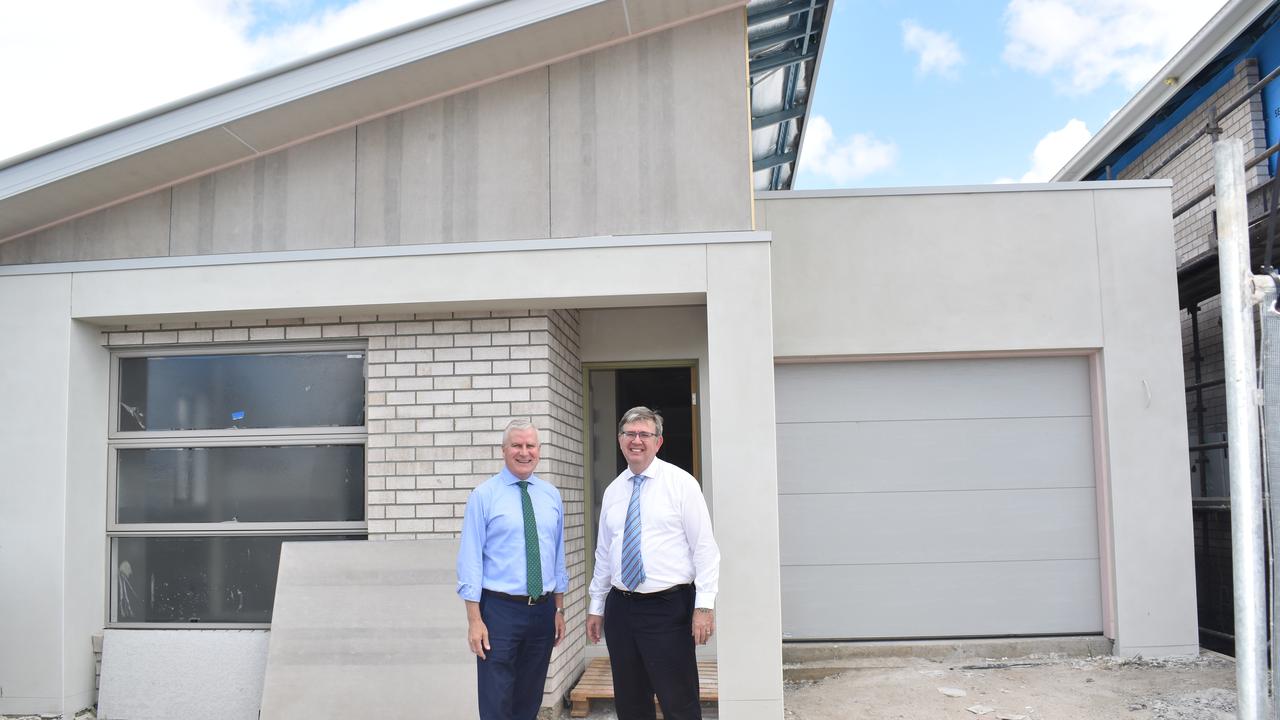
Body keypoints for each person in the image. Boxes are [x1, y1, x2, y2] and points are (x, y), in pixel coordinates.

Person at [586, 406, 720, 720]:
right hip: (621, 610)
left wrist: (704, 606)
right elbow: (604, 553)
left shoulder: (682, 484)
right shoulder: (614, 491)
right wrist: (596, 606)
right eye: (630, 434)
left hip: (668, 609)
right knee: (631, 704)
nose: (637, 440)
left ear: (658, 442)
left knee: (679, 703)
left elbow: (705, 549)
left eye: (644, 434)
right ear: (620, 440)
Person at [457, 419, 568, 720]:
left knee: (529, 700)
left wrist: (558, 609)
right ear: (504, 450)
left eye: (530, 445)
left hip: (542, 611)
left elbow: (557, 554)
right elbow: (470, 561)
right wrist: (474, 620)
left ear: (539, 451)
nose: (524, 452)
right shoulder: (484, 496)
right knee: (496, 700)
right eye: (517, 445)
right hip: (499, 612)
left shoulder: (551, 496)